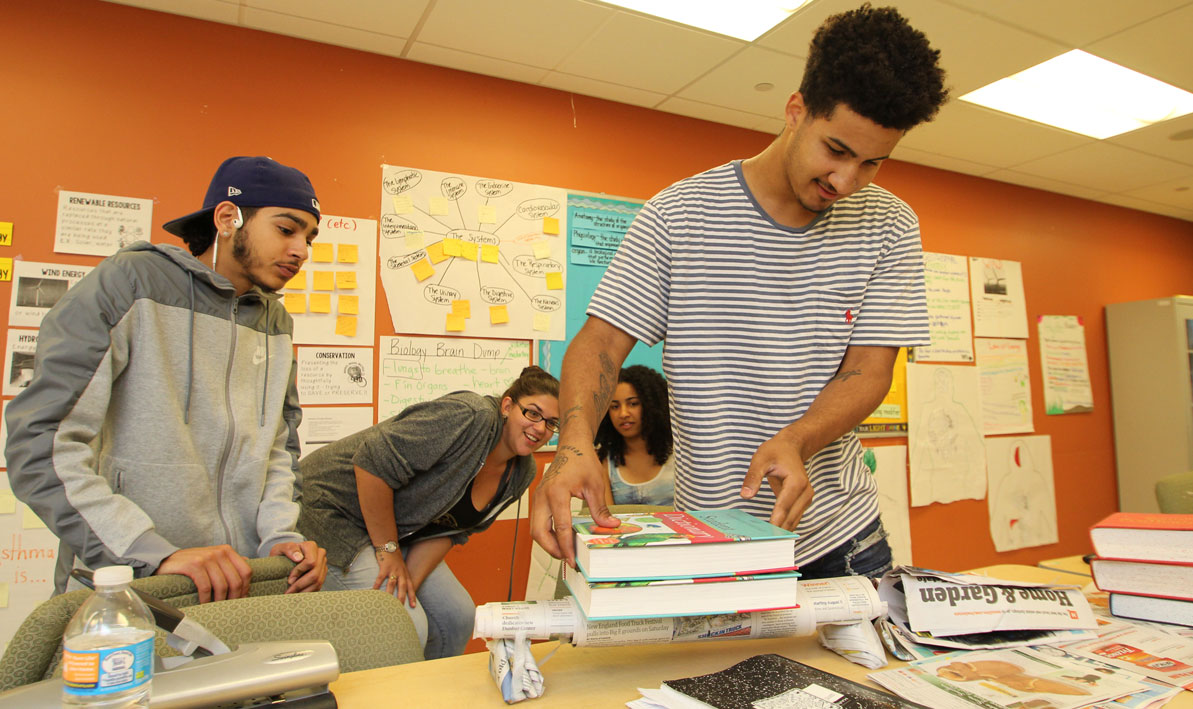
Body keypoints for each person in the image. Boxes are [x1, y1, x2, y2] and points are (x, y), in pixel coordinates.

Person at [533, 3, 948, 580]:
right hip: (714, 541)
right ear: (796, 111)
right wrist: (574, 440)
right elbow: (601, 343)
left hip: (841, 537)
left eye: (872, 163)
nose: (846, 182)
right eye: (837, 150)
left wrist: (797, 439)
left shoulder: (890, 225)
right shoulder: (679, 214)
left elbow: (869, 372)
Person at [5, 156, 328, 601]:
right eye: (286, 229)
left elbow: (276, 446)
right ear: (227, 218)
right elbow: (40, 445)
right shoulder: (129, 284)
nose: (301, 250)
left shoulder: (275, 321)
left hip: (243, 583)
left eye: (309, 238)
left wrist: (280, 538)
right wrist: (149, 553)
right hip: (132, 582)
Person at [297, 366, 559, 660]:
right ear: (508, 406)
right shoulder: (471, 416)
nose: (540, 429)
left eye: (551, 423)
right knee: (406, 626)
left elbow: (452, 531)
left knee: (457, 617)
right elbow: (371, 460)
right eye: (533, 413)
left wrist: (409, 580)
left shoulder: (521, 473)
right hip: (332, 509)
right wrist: (389, 551)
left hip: (395, 530)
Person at [594, 365, 674, 506]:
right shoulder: (603, 461)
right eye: (615, 406)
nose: (623, 413)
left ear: (652, 405)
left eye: (633, 404)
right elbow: (605, 517)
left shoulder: (680, 453)